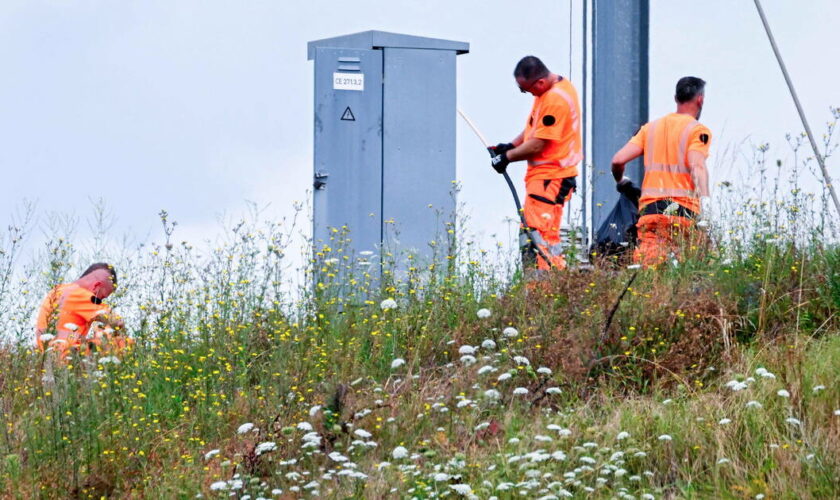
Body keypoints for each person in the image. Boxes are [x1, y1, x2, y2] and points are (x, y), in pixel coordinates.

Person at [489, 56, 582, 271]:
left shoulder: (555, 100)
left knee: (541, 236)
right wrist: (509, 146)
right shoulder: (549, 92)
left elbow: (538, 144)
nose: (527, 94)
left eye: (526, 89)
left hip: (551, 177)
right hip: (545, 179)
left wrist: (506, 158)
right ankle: (543, 288)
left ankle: (547, 288)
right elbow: (535, 129)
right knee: (534, 234)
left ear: (539, 83)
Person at [610, 76, 712, 267]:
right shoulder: (698, 131)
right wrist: (706, 201)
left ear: (676, 98)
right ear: (700, 100)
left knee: (649, 272)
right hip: (683, 212)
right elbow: (697, 165)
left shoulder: (650, 128)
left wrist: (621, 181)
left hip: (651, 212)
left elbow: (617, 160)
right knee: (690, 273)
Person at [35, 262, 129, 358]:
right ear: (96, 286)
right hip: (67, 359)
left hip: (46, 358)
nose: (101, 301)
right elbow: (118, 322)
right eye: (102, 297)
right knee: (122, 342)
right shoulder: (81, 295)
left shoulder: (57, 290)